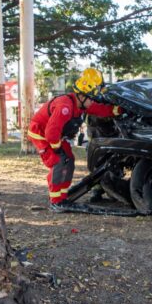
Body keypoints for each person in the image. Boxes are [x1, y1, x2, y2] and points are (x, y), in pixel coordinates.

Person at [27, 68, 122, 211]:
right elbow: (51, 132)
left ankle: (62, 196)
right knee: (58, 161)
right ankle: (56, 202)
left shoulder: (81, 104)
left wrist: (119, 110)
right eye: (91, 98)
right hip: (41, 134)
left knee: (69, 160)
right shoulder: (65, 107)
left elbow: (100, 109)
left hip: (55, 135)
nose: (92, 102)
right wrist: (57, 148)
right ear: (83, 95)